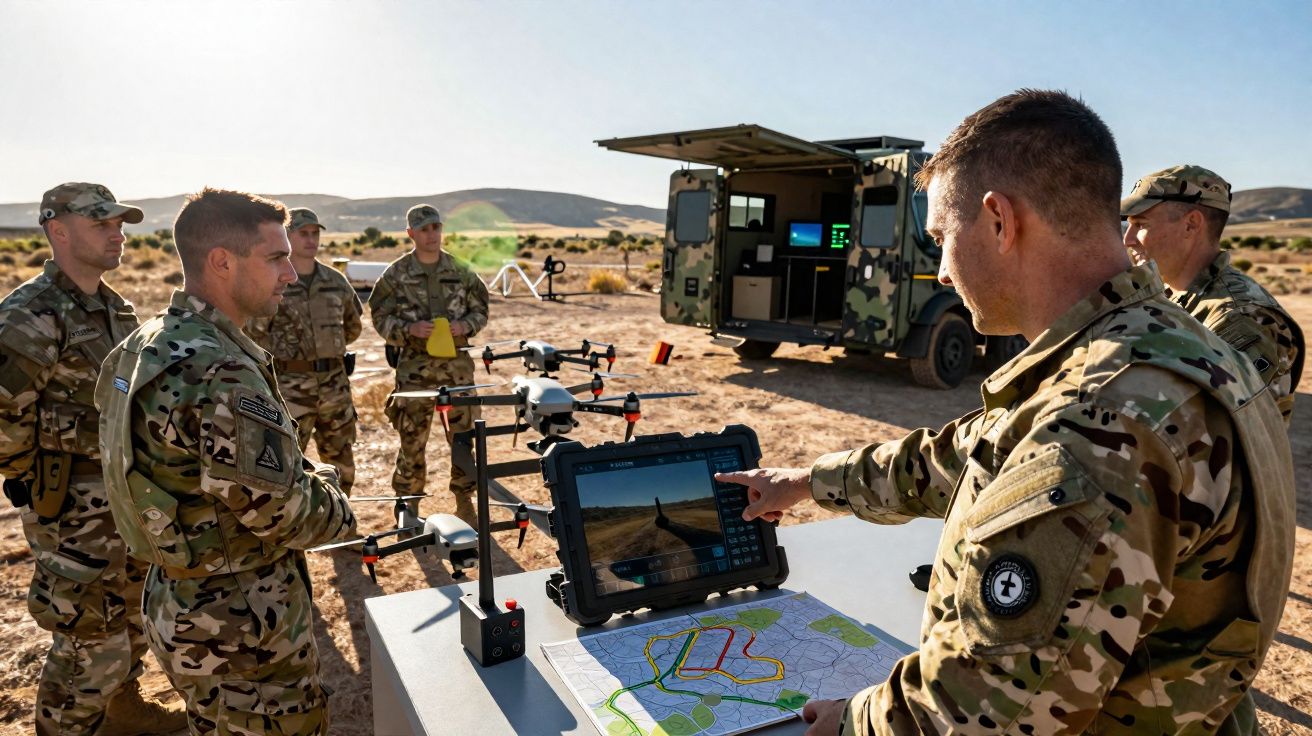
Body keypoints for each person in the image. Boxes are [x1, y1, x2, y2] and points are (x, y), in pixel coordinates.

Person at [718, 90, 1295, 735]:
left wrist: (848, 724)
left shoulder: (1101, 415)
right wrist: (808, 484)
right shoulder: (1159, 347)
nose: (939, 271)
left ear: (999, 221)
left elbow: (982, 715)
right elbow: (971, 452)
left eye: (941, 237)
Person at [95, 188, 356, 734]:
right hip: (241, 626)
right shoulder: (220, 370)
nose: (290, 273)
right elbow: (281, 512)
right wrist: (334, 498)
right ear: (222, 262)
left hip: (177, 603)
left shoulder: (148, 342)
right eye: (276, 258)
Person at [0, 182, 185, 736]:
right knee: (88, 639)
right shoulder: (29, 315)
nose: (118, 234)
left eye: (120, 224)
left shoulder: (113, 307)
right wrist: (30, 480)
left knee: (130, 613)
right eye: (102, 224)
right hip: (71, 507)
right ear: (59, 230)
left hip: (125, 497)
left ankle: (122, 711)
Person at [1122, 165, 1304, 424]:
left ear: (1191, 225)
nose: (1128, 240)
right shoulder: (1171, 296)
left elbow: (1229, 430)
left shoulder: (1241, 318)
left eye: (1140, 224)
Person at [368, 204, 489, 518]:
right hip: (415, 370)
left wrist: (466, 326)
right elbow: (379, 315)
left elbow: (481, 309)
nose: (431, 234)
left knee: (462, 438)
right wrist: (406, 330)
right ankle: (408, 501)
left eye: (435, 227)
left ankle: (465, 498)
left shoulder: (461, 270)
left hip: (457, 368)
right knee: (411, 436)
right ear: (411, 233)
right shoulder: (395, 274)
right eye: (424, 229)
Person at [247, 207, 364, 493]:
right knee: (287, 464)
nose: (311, 240)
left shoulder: (336, 281)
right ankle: (297, 530)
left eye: (315, 234)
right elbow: (253, 334)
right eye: (303, 234)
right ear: (287, 237)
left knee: (341, 463)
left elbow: (353, 326)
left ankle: (340, 520)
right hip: (290, 389)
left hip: (335, 386)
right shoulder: (273, 283)